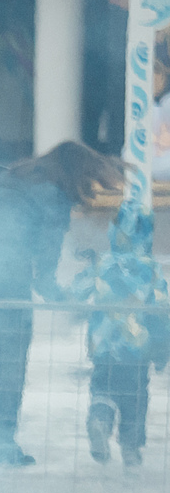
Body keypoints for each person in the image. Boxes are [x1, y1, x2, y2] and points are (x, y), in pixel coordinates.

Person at [0, 141, 120, 466]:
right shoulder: (52, 195)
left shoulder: (15, 177)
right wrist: (66, 301)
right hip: (1, 277)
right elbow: (45, 269)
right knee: (10, 357)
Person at [80, 199, 167, 470]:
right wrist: (163, 350)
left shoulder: (102, 264)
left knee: (103, 389)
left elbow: (76, 291)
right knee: (135, 400)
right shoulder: (150, 269)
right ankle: (130, 448)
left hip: (103, 349)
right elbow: (162, 310)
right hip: (137, 350)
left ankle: (100, 420)